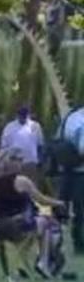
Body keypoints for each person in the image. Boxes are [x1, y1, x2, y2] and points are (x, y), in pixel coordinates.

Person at [0, 148, 64, 282]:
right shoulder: (21, 181)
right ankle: (43, 263)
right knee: (47, 222)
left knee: (35, 225)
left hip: (0, 229)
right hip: (18, 227)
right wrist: (58, 203)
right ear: (11, 162)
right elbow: (41, 199)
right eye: (19, 159)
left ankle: (23, 264)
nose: (21, 163)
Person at [56, 105, 84, 253]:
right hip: (80, 172)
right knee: (80, 209)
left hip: (65, 169)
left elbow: (57, 139)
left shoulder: (70, 117)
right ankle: (79, 243)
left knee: (62, 204)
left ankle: (56, 240)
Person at [0, 106, 44, 185]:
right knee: (15, 186)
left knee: (31, 185)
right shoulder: (9, 127)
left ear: (28, 115)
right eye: (21, 115)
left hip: (31, 162)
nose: (23, 118)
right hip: (14, 162)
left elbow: (40, 144)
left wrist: (40, 160)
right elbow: (4, 145)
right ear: (17, 115)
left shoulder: (35, 126)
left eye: (25, 116)